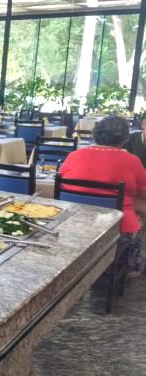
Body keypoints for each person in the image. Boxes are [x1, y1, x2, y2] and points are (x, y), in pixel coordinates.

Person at [60, 116, 146, 279]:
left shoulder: (74, 155)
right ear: (124, 138)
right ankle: (129, 266)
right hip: (118, 229)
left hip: (73, 224)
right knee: (139, 214)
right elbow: (144, 193)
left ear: (96, 134)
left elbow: (63, 183)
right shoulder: (132, 161)